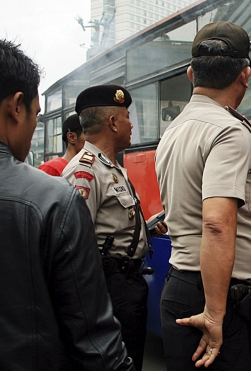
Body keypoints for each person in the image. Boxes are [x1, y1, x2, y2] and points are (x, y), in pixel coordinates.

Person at [0, 39, 134, 370]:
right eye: (36, 115)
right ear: (17, 106)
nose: (33, 127)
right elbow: (94, 341)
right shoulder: (54, 198)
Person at [155, 21, 251, 370]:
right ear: (245, 75)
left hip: (180, 285)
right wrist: (215, 316)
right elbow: (217, 224)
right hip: (214, 299)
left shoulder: (172, 131)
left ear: (191, 74)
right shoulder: (229, 131)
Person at [62, 84, 166, 371]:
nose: (132, 124)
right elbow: (76, 246)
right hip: (108, 288)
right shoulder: (85, 171)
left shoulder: (110, 167)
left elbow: (108, 228)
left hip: (126, 284)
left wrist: (147, 229)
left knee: (131, 357)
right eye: (127, 116)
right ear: (112, 122)